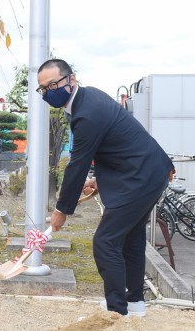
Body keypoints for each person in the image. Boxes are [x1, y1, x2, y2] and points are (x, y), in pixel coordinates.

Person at [36, 59, 173, 317]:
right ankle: (134, 303)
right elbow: (117, 146)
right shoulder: (89, 99)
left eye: (54, 84)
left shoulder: (86, 113)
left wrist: (61, 209)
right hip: (149, 172)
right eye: (43, 88)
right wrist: (98, 180)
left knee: (105, 242)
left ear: (71, 79)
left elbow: (77, 164)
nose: (48, 91)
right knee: (130, 238)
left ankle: (116, 310)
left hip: (141, 178)